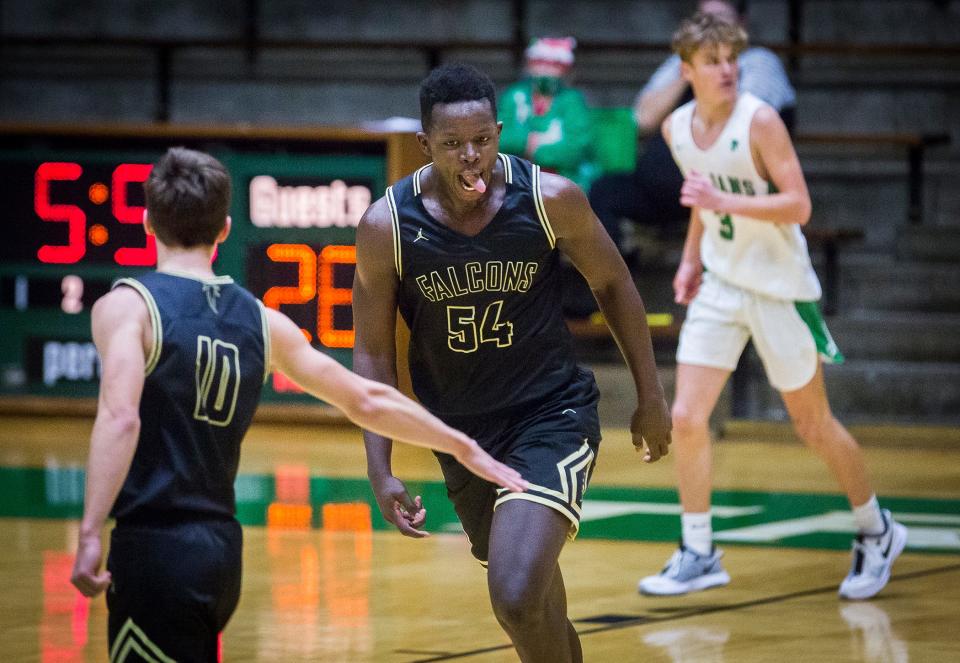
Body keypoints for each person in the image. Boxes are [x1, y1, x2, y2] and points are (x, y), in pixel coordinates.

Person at [69, 147, 527, 662]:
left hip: (154, 548)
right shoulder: (261, 321)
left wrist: (88, 532)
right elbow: (368, 398)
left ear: (148, 222)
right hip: (221, 550)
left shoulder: (128, 306)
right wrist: (461, 444)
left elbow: (119, 416)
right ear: (224, 229)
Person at [352, 63, 671, 662]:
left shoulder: (551, 199)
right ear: (425, 146)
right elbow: (371, 349)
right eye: (452, 145)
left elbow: (616, 285)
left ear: (499, 131)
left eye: (482, 140)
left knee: (515, 594)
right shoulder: (386, 226)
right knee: (540, 604)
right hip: (461, 434)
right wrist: (380, 464)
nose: (470, 156)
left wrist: (651, 397)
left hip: (550, 416)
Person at [636, 12, 906, 600]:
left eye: (732, 57)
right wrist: (690, 260)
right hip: (721, 285)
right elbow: (701, 201)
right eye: (713, 61)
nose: (728, 69)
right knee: (685, 418)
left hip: (780, 287)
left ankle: (877, 528)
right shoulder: (677, 127)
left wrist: (718, 203)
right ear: (687, 71)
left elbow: (800, 205)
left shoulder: (758, 122)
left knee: (813, 423)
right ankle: (699, 550)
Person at [589, 0, 797, 256]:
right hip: (668, 190)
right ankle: (616, 287)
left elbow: (741, 127)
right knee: (603, 191)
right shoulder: (683, 69)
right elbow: (643, 119)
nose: (710, 28)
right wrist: (688, 71)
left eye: (719, 19)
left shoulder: (758, 62)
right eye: (702, 19)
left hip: (727, 187)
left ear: (741, 23)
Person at [498, 37, 597, 192]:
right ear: (529, 64)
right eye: (539, 62)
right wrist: (527, 142)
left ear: (566, 70)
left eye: (554, 65)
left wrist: (534, 150)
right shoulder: (514, 95)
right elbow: (498, 138)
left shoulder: (572, 100)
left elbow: (575, 150)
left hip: (563, 183)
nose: (545, 70)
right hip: (515, 181)